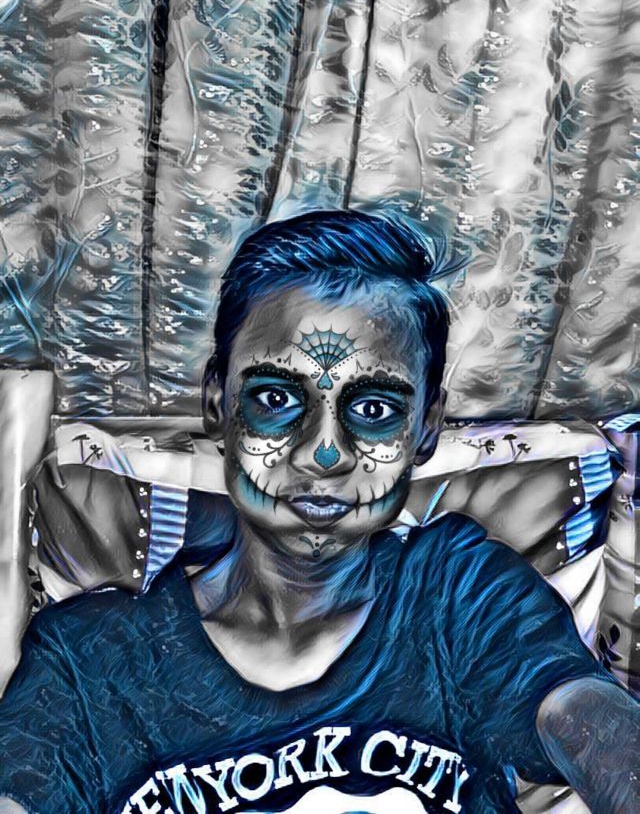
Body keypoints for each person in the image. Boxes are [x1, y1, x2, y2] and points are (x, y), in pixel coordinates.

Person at [0, 210, 638, 814]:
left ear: (425, 428)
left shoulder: (455, 593)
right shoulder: (89, 660)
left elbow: (584, 719)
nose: (323, 453)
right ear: (218, 404)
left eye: (374, 410)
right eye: (277, 398)